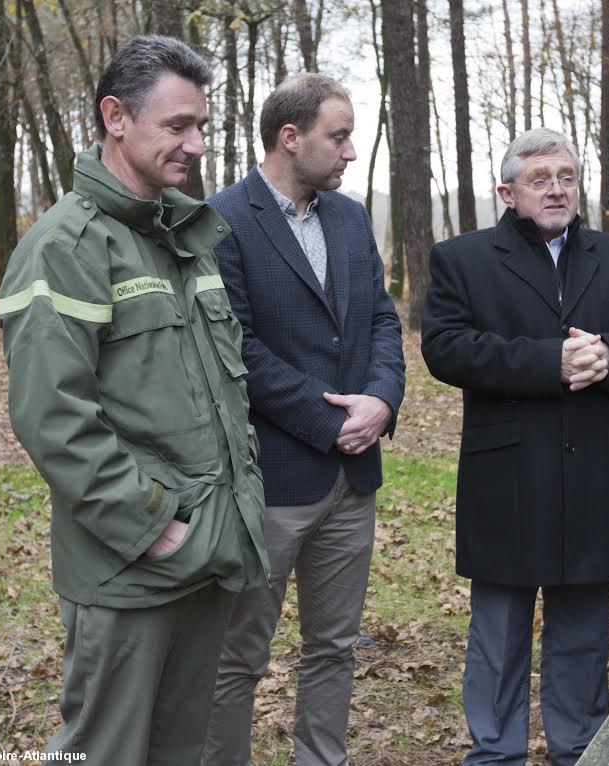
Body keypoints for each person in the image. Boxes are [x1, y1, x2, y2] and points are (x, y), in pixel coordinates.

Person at [0, 35, 268, 765]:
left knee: (180, 749)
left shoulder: (185, 238)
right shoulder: (66, 246)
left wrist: (217, 525)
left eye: (201, 125)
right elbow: (53, 416)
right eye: (177, 126)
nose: (196, 145)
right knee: (107, 751)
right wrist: (153, 527)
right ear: (115, 117)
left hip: (208, 550)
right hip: (131, 567)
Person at [420, 128, 609, 766]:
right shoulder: (462, 258)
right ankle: (496, 754)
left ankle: (578, 749)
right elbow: (445, 349)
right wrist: (549, 362)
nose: (556, 189)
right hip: (507, 470)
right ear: (508, 192)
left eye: (566, 177)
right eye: (539, 179)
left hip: (596, 470)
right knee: (500, 631)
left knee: (584, 629)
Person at [203, 73, 406, 766]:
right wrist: (330, 422)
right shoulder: (222, 220)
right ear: (290, 138)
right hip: (271, 480)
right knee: (237, 656)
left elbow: (381, 319)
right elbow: (235, 346)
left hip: (353, 480)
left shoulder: (348, 217)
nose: (350, 152)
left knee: (334, 647)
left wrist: (381, 399)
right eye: (338, 137)